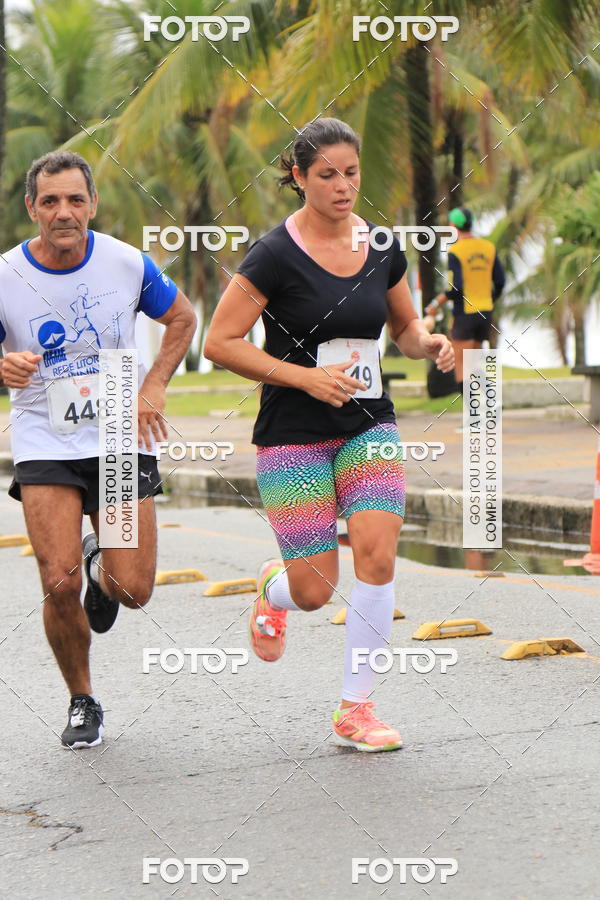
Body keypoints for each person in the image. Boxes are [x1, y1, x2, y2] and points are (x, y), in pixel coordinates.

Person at [204, 118, 454, 752]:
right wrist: (304, 377)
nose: (344, 187)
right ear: (298, 178)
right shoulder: (272, 255)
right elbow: (219, 342)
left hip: (368, 422)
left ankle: (356, 707)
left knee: (376, 552)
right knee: (314, 589)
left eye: (352, 172)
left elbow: (402, 329)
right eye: (327, 175)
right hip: (293, 432)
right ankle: (274, 588)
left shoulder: (383, 247)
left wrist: (428, 344)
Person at [0, 150, 196, 749]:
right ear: (32, 207)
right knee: (56, 582)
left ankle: (100, 570)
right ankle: (82, 699)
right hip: (44, 440)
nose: (64, 212)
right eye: (51, 201)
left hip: (116, 441)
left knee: (132, 589)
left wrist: (153, 386)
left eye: (75, 199)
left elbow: (183, 319)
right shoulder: (6, 276)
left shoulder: (126, 263)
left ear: (93, 204)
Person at [426, 207, 505, 393]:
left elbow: (456, 288)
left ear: (453, 225)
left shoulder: (456, 251)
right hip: (485, 312)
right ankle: (492, 400)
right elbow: (500, 282)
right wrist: (489, 300)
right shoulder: (488, 247)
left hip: (465, 314)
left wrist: (436, 303)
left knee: (461, 365)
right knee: (474, 363)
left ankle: (471, 418)